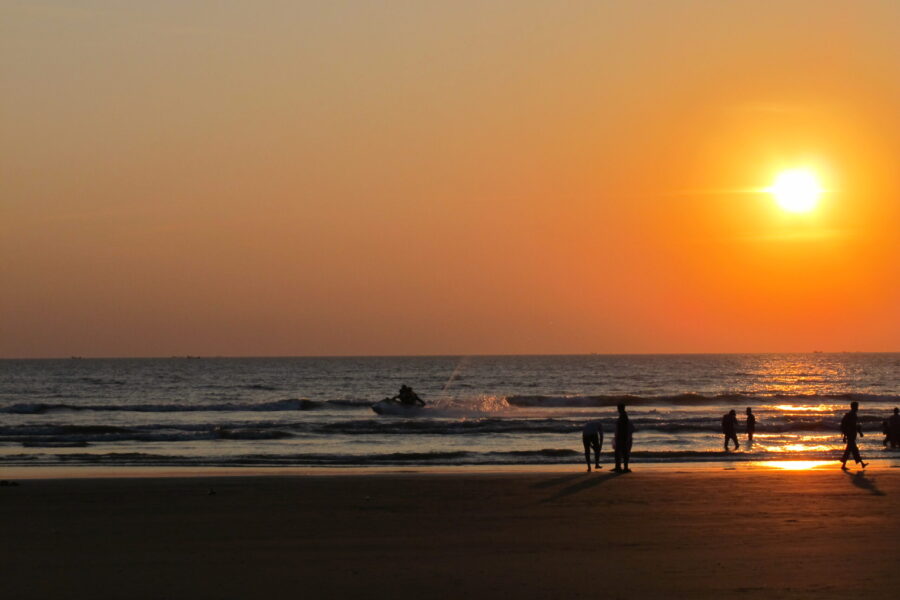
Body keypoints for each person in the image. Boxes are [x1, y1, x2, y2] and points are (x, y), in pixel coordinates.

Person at [840, 401, 867, 470]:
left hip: (850, 435)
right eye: (857, 406)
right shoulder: (852, 415)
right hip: (851, 435)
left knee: (850, 450)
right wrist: (860, 432)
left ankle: (861, 463)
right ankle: (861, 463)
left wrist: (845, 436)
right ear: (854, 407)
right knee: (853, 450)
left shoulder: (851, 414)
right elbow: (853, 426)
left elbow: (850, 426)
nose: (857, 408)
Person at [611, 404, 635, 473]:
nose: (618, 409)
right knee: (619, 452)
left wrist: (624, 437)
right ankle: (619, 467)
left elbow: (624, 427)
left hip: (622, 437)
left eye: (618, 408)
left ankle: (624, 468)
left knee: (623, 452)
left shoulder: (623, 416)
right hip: (621, 436)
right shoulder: (623, 415)